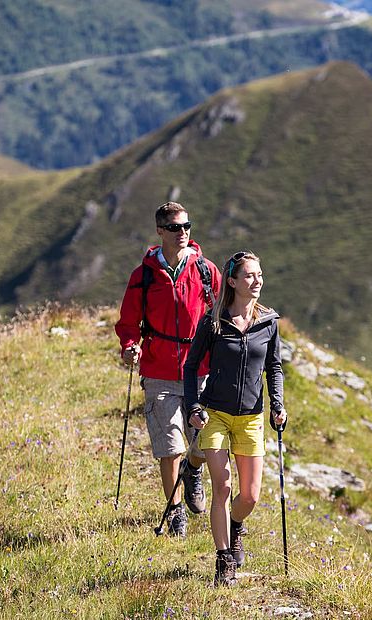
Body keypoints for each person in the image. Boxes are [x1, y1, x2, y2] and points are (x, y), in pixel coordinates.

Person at [115, 201, 221, 538]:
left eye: (187, 226)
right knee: (169, 445)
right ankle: (175, 512)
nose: (183, 233)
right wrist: (130, 346)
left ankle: (193, 470)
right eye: (175, 227)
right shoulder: (144, 275)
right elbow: (128, 321)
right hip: (159, 370)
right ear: (160, 230)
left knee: (203, 444)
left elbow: (221, 314)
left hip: (200, 369)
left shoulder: (206, 270)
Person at [184, 250, 287, 586]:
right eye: (249, 276)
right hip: (214, 413)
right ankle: (223, 560)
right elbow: (190, 367)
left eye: (259, 275)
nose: (256, 281)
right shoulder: (213, 323)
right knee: (223, 488)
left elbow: (273, 366)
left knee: (250, 497)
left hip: (251, 418)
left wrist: (277, 404)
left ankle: (236, 526)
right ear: (232, 281)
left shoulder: (268, 322)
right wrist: (193, 407)